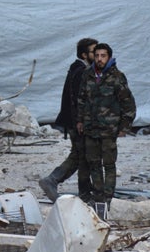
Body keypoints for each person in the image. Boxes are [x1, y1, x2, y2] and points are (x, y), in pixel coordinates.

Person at [77, 43, 136, 212]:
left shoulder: (117, 77)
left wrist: (125, 125)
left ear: (109, 57)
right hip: (90, 128)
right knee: (93, 164)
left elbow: (128, 102)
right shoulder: (88, 75)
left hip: (109, 129)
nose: (99, 59)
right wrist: (80, 120)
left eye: (103, 56)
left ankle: (108, 198)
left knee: (109, 165)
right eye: (97, 56)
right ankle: (98, 197)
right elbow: (81, 100)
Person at [39, 37, 98, 202]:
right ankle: (52, 180)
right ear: (85, 54)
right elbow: (79, 101)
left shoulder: (78, 69)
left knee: (82, 155)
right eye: (94, 51)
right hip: (77, 123)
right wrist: (82, 122)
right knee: (80, 155)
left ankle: (85, 191)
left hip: (75, 122)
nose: (98, 55)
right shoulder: (80, 72)